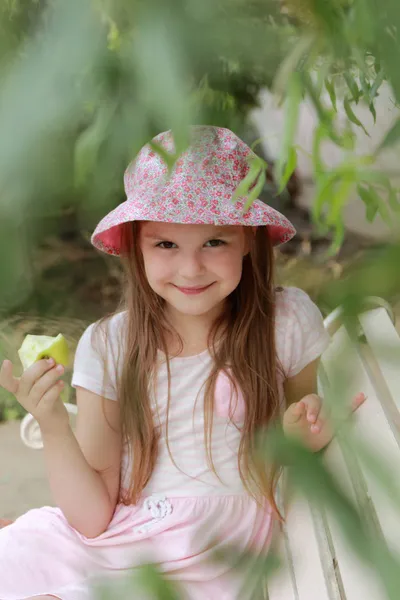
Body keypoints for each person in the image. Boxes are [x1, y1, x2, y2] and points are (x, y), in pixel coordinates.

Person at [0, 126, 365, 600]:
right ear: (136, 246)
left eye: (214, 242)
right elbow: (91, 520)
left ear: (249, 243)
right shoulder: (109, 345)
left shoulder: (284, 323)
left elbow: (280, 459)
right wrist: (51, 422)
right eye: (166, 245)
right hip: (113, 537)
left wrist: (297, 440)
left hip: (203, 554)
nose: (190, 269)